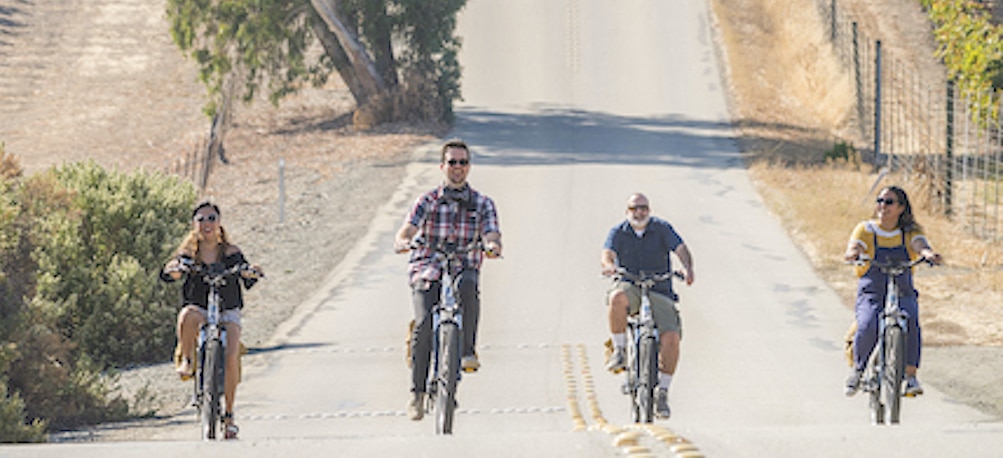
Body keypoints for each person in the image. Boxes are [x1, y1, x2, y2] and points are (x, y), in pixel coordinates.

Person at [393, 139, 502, 421]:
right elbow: (408, 228)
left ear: (469, 167)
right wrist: (404, 240)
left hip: (464, 261)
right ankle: (416, 394)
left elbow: (491, 233)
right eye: (452, 162)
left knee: (468, 286)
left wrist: (492, 246)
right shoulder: (427, 201)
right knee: (424, 323)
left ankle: (467, 350)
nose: (457, 168)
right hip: (428, 263)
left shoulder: (483, 203)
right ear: (442, 166)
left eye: (462, 163)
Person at [161, 201, 263, 439]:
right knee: (186, 315)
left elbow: (245, 272)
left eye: (211, 218)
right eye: (202, 219)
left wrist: (251, 272)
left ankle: (228, 416)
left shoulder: (230, 252)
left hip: (227, 309)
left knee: (231, 357)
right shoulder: (189, 252)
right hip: (200, 308)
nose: (207, 224)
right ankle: (187, 359)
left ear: (219, 223)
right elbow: (172, 271)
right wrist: (173, 270)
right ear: (194, 224)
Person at [601, 193, 694, 419]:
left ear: (649, 210)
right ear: (627, 211)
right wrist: (608, 265)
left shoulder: (661, 228)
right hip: (630, 284)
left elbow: (680, 248)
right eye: (634, 208)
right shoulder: (619, 232)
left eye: (643, 208)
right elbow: (607, 253)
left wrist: (687, 268)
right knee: (616, 298)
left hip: (660, 288)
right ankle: (621, 350)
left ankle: (662, 391)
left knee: (671, 338)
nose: (639, 212)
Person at [843, 186, 942, 397]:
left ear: (901, 208)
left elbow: (919, 244)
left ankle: (910, 376)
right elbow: (855, 246)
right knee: (868, 323)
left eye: (889, 202)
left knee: (912, 321)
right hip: (873, 290)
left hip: (902, 288)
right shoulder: (866, 229)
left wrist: (928, 254)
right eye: (880, 201)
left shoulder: (909, 232)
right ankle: (858, 371)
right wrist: (853, 253)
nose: (882, 206)